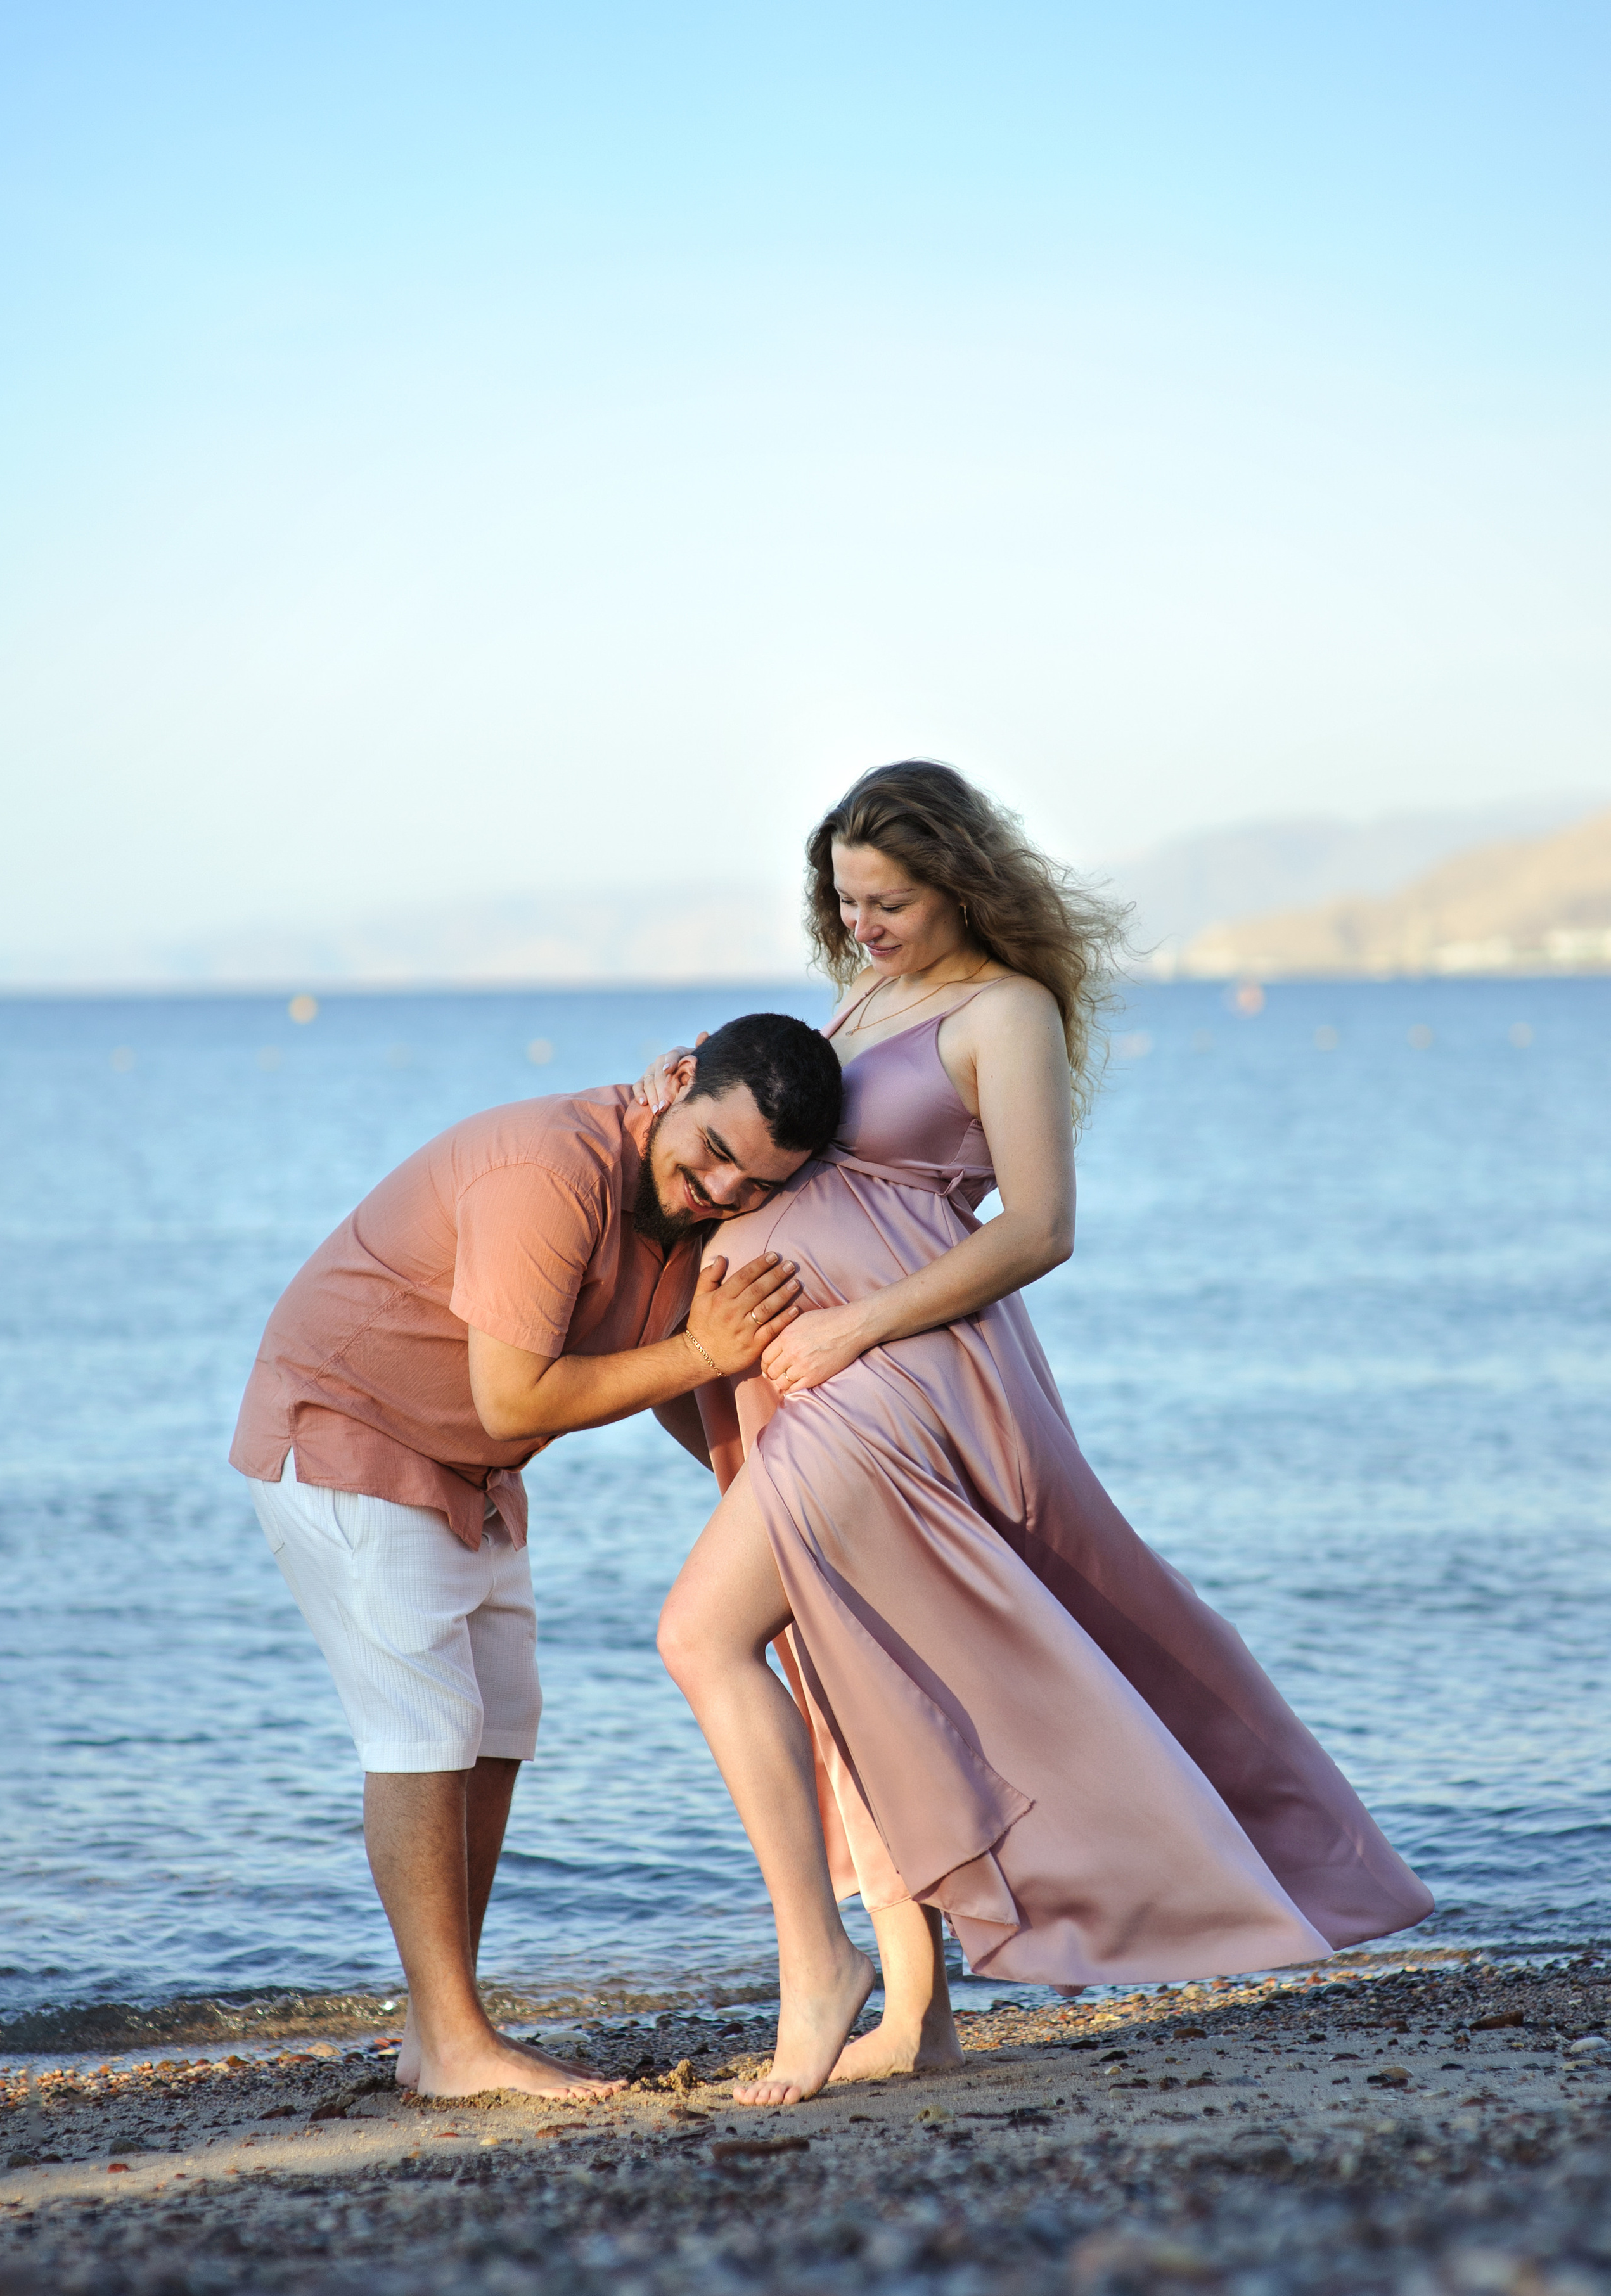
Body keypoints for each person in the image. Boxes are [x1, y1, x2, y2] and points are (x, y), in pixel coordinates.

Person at [641, 762, 1432, 2106]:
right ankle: (919, 2012)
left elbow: (1040, 1227)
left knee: (702, 1634)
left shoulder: (1003, 1011)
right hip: (816, 1376)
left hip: (894, 1376)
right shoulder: (865, 997)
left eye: (890, 901)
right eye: (846, 900)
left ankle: (821, 1969)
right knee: (849, 1671)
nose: (865, 924)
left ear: (960, 881)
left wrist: (853, 1327)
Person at [231, 1013, 841, 2102]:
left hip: (470, 1468)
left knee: (501, 1726)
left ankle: (438, 2035)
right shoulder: (549, 1172)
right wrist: (702, 1349)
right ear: (680, 1078)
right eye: (712, 1153)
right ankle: (458, 2045)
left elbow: (664, 1381)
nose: (719, 1192)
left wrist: (775, 1502)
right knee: (425, 1732)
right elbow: (518, 1396)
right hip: (349, 1434)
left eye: (754, 1186)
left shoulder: (679, 1201)